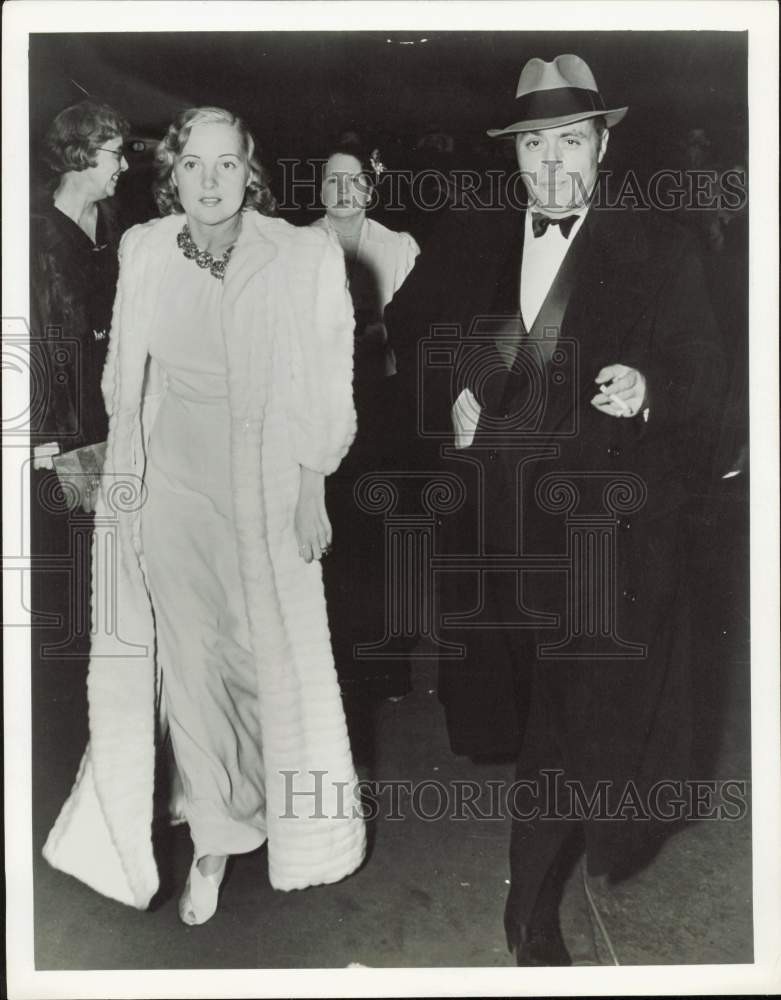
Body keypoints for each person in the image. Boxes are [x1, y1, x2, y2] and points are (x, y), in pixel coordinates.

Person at [385, 55, 724, 965]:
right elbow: (410, 332)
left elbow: (710, 380)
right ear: (515, 154)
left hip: (602, 537)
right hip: (495, 535)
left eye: (569, 140)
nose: (551, 163)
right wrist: (450, 386)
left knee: (574, 724)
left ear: (603, 142)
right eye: (533, 144)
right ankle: (534, 885)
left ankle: (527, 908)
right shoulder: (470, 235)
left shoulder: (664, 246)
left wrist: (650, 387)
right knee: (525, 710)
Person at [43, 107, 366, 925]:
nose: (211, 182)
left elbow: (324, 387)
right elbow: (125, 382)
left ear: (249, 172)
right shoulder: (144, 249)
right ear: (172, 174)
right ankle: (215, 845)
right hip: (172, 494)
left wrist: (311, 489)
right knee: (188, 662)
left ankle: (256, 802)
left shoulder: (301, 255)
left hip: (261, 490)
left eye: (228, 165)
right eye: (194, 165)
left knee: (259, 665)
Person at [310, 143, 419, 711]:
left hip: (386, 407)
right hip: (323, 407)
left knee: (389, 534)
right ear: (320, 189)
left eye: (353, 181)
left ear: (371, 190)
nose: (342, 190)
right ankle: (339, 670)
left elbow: (419, 326)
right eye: (332, 180)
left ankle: (391, 666)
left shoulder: (398, 248)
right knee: (336, 536)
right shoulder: (298, 247)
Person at [31, 100, 130, 506]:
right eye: (116, 154)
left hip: (117, 412)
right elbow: (32, 344)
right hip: (67, 428)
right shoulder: (32, 231)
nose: (123, 166)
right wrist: (45, 439)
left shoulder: (115, 218)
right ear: (81, 153)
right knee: (85, 530)